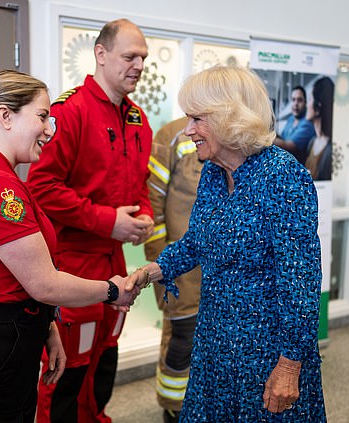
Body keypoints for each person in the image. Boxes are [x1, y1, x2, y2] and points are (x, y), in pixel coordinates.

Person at [0, 69, 139, 423]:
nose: (49, 130)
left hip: (3, 336)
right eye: (42, 116)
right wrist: (111, 291)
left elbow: (21, 277)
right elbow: (44, 283)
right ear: (6, 116)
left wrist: (48, 328)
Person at [128, 66, 327, 421]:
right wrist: (151, 271)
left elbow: (301, 281)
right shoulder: (214, 174)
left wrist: (290, 365)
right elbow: (197, 242)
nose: (188, 130)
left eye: (197, 119)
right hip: (215, 346)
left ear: (230, 118)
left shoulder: (283, 175)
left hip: (266, 353)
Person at [26, 19, 154, 423]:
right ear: (100, 55)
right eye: (129, 56)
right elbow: (42, 186)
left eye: (143, 58)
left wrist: (144, 215)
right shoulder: (70, 111)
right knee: (68, 367)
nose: (138, 65)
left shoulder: (137, 119)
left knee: (104, 360)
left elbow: (142, 182)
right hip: (72, 264)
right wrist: (106, 222)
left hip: (114, 263)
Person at [143, 117, 202, 423]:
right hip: (180, 265)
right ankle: (173, 407)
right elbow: (152, 202)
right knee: (183, 334)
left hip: (220, 267)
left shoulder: (231, 134)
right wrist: (160, 262)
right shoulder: (174, 135)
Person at [274, 86, 316, 164]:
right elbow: (282, 138)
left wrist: (265, 138)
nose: (296, 104)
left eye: (299, 100)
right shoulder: (291, 119)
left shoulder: (307, 124)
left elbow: (289, 147)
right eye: (293, 100)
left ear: (305, 103)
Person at [305, 77, 334, 181]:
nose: (306, 105)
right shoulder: (312, 142)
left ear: (318, 105)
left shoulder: (330, 149)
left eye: (309, 100)